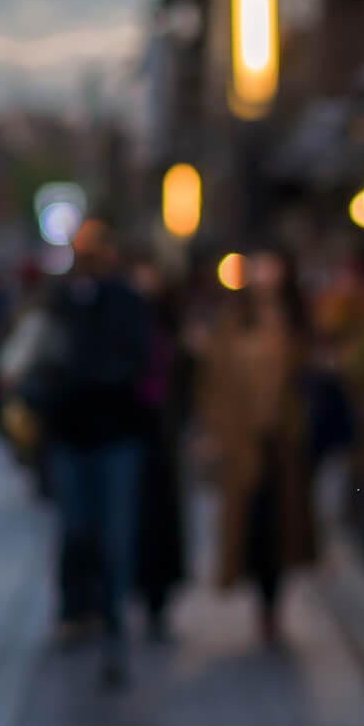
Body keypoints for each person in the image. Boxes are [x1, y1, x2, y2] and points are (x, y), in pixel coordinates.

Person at [26, 219, 154, 689]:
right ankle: (77, 610)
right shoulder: (62, 302)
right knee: (76, 529)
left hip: (116, 436)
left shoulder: (127, 303)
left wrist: (95, 379)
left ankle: (113, 624)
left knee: (114, 538)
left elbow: (140, 362)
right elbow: (39, 356)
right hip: (71, 436)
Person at [199, 250, 317, 645]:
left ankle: (273, 605)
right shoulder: (232, 325)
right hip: (244, 443)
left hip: (284, 443)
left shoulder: (294, 325)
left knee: (282, 527)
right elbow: (215, 383)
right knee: (252, 527)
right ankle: (260, 603)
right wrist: (216, 431)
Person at [130, 260, 191, 643]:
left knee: (161, 517)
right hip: (134, 435)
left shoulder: (172, 336)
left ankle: (158, 595)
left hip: (162, 440)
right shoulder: (127, 332)